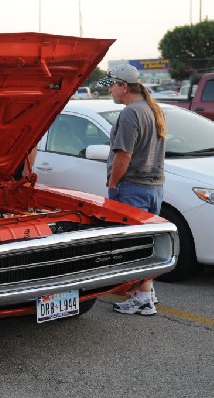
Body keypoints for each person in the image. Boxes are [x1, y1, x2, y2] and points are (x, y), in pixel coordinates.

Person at [98, 63, 166, 316]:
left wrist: (113, 183)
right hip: (154, 186)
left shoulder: (130, 114)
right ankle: (146, 291)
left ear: (124, 86)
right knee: (147, 240)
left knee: (136, 244)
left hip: (132, 187)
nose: (111, 92)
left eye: (112, 86)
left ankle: (144, 298)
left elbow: (124, 155)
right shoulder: (152, 108)